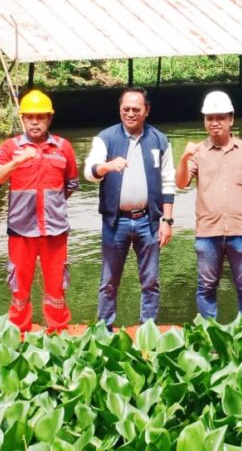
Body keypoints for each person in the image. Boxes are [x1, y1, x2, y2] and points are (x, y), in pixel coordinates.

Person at [0, 90, 79, 333]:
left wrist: (54, 204)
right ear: (23, 119)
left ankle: (58, 332)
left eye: (40, 116)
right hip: (21, 230)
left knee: (57, 287)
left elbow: (71, 183)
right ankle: (18, 333)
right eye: (29, 117)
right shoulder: (10, 148)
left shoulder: (63, 147)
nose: (35, 122)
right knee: (19, 288)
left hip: (55, 229)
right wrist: (16, 162)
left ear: (49, 118)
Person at [83, 87, 175, 328]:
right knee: (109, 280)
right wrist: (107, 166)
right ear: (119, 109)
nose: (131, 114)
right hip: (116, 221)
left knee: (151, 280)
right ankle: (104, 329)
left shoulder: (159, 140)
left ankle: (148, 328)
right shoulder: (106, 138)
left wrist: (167, 220)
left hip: (149, 220)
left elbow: (168, 181)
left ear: (147, 111)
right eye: (126, 109)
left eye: (136, 109)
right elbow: (89, 171)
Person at [175, 90, 242, 320]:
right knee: (206, 287)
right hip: (208, 231)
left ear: (231, 119)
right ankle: (209, 335)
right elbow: (182, 183)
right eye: (209, 118)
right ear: (205, 121)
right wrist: (185, 158)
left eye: (220, 118)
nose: (215, 123)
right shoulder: (197, 152)